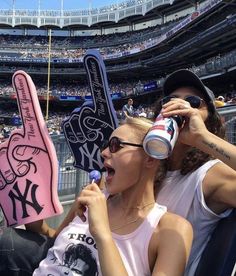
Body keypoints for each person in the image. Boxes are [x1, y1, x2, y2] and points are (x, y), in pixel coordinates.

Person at [0, 117, 193, 276]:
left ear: (151, 157)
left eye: (116, 145)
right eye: (106, 145)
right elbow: (55, 241)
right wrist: (36, 221)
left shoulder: (171, 230)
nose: (104, 152)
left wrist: (102, 233)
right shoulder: (92, 198)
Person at [153, 69, 236, 276]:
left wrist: (202, 138)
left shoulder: (210, 175)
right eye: (170, 100)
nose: (179, 106)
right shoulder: (150, 168)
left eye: (193, 102)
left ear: (209, 120)